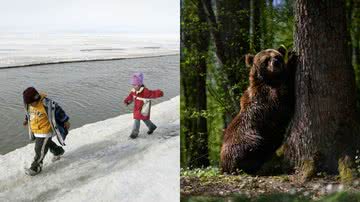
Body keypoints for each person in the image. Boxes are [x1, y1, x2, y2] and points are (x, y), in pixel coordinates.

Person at [23, 87, 70, 176]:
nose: (31, 105)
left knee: (39, 149)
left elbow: (58, 111)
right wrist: (26, 119)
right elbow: (28, 112)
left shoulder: (46, 104)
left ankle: (36, 167)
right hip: (36, 129)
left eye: (32, 103)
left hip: (46, 130)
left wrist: (65, 120)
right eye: (29, 103)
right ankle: (58, 151)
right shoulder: (30, 104)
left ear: (36, 98)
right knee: (46, 143)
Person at [124, 73, 164, 139]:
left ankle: (134, 133)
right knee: (143, 119)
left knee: (140, 118)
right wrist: (126, 101)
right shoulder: (133, 90)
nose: (134, 86)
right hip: (137, 108)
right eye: (133, 85)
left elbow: (152, 93)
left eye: (135, 85)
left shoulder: (145, 91)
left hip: (144, 107)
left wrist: (159, 92)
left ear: (139, 84)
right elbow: (130, 96)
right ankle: (152, 127)